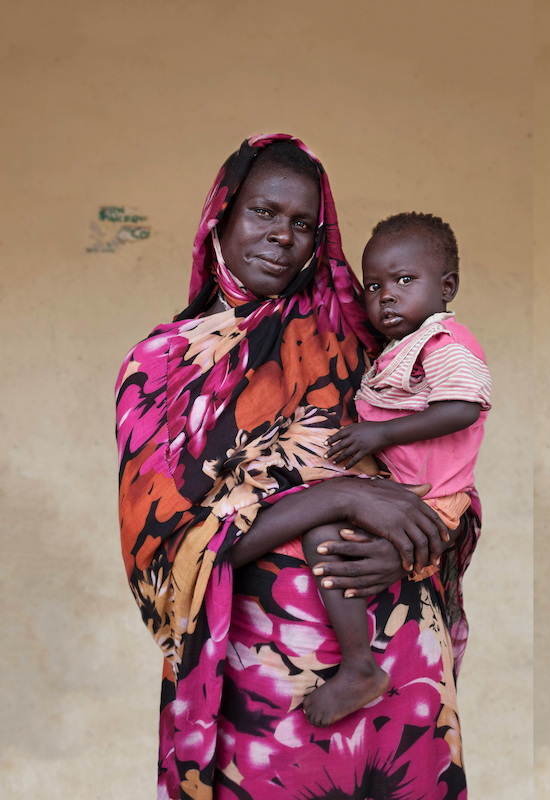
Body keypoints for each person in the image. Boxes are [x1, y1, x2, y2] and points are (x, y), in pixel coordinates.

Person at [115, 135, 476, 798]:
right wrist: (339, 499)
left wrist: (416, 547)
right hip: (258, 687)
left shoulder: (364, 339)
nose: (282, 235)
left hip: (397, 666)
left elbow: (447, 472)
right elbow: (162, 553)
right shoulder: (160, 370)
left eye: (302, 223)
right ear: (221, 215)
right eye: (263, 212)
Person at [219, 211, 492, 727]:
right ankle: (361, 663)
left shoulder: (443, 343)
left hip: (433, 499)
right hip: (405, 496)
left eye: (405, 281)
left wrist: (380, 434)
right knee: (328, 532)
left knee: (326, 538)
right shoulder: (394, 349)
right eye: (373, 285)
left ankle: (359, 667)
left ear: (447, 286)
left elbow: (464, 407)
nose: (385, 296)